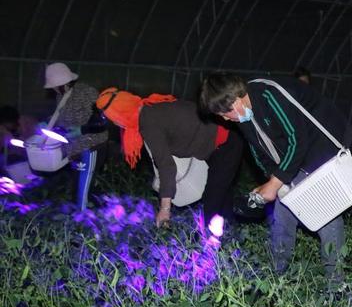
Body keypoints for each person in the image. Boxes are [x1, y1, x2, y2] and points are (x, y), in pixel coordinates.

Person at [198, 72, 352, 277]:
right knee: (282, 212)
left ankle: (336, 283)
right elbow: (258, 150)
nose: (225, 119)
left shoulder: (270, 95)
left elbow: (297, 140)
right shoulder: (243, 114)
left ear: (236, 100)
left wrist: (274, 184)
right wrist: (272, 180)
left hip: (323, 143)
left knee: (326, 215)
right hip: (298, 153)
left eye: (225, 112)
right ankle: (278, 273)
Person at [96, 88, 243, 227]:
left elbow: (166, 166)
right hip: (224, 138)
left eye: (113, 118)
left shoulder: (148, 121)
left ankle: (210, 239)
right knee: (222, 195)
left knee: (213, 199)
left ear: (121, 114)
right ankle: (229, 232)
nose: (115, 123)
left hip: (225, 141)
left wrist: (165, 209)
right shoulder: (150, 108)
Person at [43, 62, 108, 210]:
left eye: (54, 86)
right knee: (77, 185)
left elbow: (102, 121)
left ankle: (82, 216)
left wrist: (82, 130)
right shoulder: (61, 96)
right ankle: (87, 210)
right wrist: (49, 123)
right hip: (74, 148)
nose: (53, 89)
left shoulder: (87, 93)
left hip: (91, 145)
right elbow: (64, 118)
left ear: (63, 83)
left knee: (83, 187)